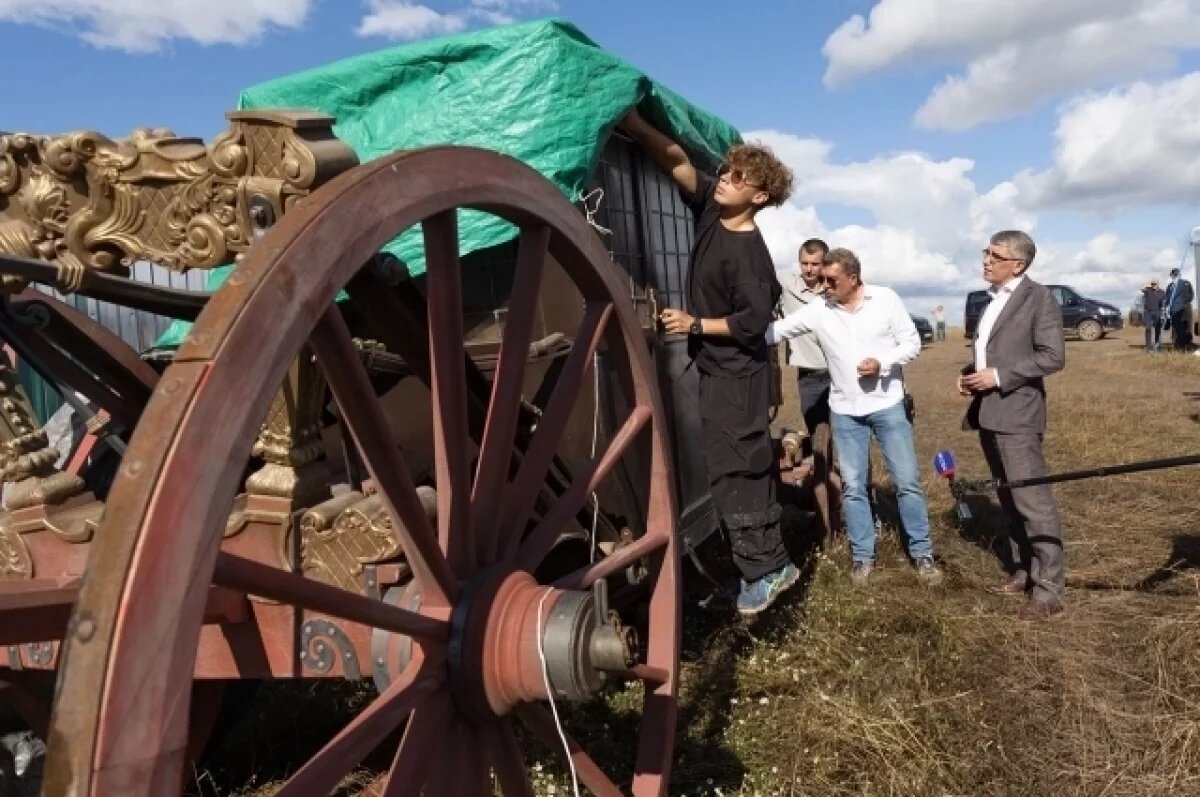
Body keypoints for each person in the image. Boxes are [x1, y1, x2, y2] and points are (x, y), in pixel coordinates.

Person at [619, 108, 800, 615]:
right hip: (720, 371)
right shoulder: (711, 212)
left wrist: (695, 324)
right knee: (728, 468)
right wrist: (634, 124)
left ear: (759, 197)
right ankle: (763, 564)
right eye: (726, 171)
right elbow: (677, 161)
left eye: (739, 178)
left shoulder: (750, 257)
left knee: (738, 469)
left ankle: (769, 569)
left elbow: (751, 322)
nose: (725, 179)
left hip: (741, 376)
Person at [766, 248, 943, 586]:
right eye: (821, 279)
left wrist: (882, 362)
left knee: (906, 482)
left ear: (853, 278)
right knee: (853, 487)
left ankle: (922, 553)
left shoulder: (886, 299)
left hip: (888, 405)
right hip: (846, 412)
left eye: (831, 280)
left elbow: (911, 343)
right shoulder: (819, 309)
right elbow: (776, 332)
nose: (822, 284)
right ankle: (863, 557)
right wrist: (721, 330)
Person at [959, 230, 1066, 621]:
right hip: (990, 413)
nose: (985, 259)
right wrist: (970, 374)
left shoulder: (1039, 299)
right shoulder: (992, 300)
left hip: (1018, 415)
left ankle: (1050, 589)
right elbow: (990, 353)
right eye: (985, 252)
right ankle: (1024, 570)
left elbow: (1053, 356)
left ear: (1017, 264)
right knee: (1007, 497)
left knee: (1032, 502)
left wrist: (999, 377)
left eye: (994, 255)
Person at [778, 239, 831, 437]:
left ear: (825, 263)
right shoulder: (785, 282)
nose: (809, 269)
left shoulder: (834, 289)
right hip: (808, 377)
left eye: (815, 264)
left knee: (845, 436)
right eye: (804, 263)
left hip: (837, 373)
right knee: (818, 436)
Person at [1163, 267, 1194, 351]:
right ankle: (1177, 344)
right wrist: (1167, 307)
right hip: (1174, 309)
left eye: (1177, 274)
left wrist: (1182, 303)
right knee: (1176, 327)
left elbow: (1190, 295)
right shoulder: (1170, 286)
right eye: (1174, 275)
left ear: (1179, 275)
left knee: (1186, 326)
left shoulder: (1185, 283)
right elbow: (1167, 298)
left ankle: (1187, 344)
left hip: (1185, 308)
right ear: (1171, 276)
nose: (1175, 276)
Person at [1141, 280, 1166, 352]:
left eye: (1155, 284)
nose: (1153, 285)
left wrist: (1163, 314)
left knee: (1158, 329)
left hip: (1158, 312)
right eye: (1152, 284)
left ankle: (1157, 344)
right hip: (1148, 312)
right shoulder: (1148, 290)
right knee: (1148, 328)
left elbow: (1164, 303)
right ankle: (1148, 346)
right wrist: (1148, 284)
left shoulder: (1162, 292)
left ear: (1158, 284)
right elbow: (1141, 288)